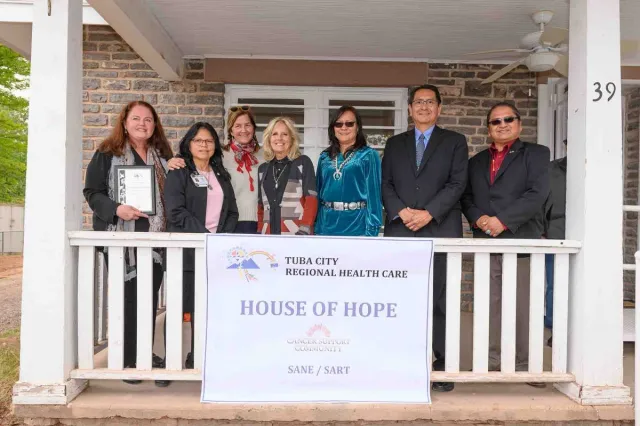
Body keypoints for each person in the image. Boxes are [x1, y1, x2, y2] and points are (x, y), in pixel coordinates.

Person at [381, 84, 469, 393]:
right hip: (401, 229)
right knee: (402, 299)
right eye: (418, 102)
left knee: (440, 300)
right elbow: (386, 184)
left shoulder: (455, 142)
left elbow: (458, 183)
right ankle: (402, 361)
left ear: (439, 108)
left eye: (430, 102)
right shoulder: (394, 144)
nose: (424, 107)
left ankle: (442, 366)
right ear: (409, 108)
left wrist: (428, 213)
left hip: (440, 228)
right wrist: (402, 212)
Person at [83, 100, 172, 387]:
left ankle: (145, 355)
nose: (142, 124)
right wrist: (116, 208)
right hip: (121, 239)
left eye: (148, 120)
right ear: (124, 122)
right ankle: (127, 357)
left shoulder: (162, 156)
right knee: (128, 300)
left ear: (154, 125)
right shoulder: (107, 153)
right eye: (136, 118)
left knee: (149, 299)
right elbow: (92, 192)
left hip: (155, 241)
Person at [461, 101, 550, 387]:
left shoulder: (536, 154)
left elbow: (537, 194)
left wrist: (503, 220)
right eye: (496, 121)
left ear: (519, 124)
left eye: (508, 119)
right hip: (486, 241)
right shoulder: (475, 162)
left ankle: (526, 364)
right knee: (489, 304)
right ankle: (492, 361)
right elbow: (466, 198)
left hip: (521, 239)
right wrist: (480, 219)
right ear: (489, 128)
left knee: (524, 305)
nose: (502, 125)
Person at [164, 122, 238, 368]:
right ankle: (171, 362)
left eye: (209, 141)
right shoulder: (179, 172)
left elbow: (232, 212)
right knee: (179, 308)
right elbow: (176, 212)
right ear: (189, 143)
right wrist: (205, 235)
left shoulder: (221, 174)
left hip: (214, 253)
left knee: (206, 309)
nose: (204, 145)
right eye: (199, 140)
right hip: (186, 252)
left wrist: (219, 240)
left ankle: (198, 357)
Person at [167, 106, 264, 233]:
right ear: (230, 130)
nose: (243, 130)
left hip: (256, 220)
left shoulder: (265, 156)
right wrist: (171, 161)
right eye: (238, 126)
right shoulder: (221, 156)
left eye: (248, 125)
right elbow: (175, 209)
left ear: (254, 128)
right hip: (231, 225)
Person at [314, 106, 382, 236]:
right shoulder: (325, 156)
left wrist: (371, 233)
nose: (343, 128)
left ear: (357, 127)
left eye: (349, 123)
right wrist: (316, 226)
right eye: (338, 124)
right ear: (333, 129)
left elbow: (374, 197)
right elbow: (318, 192)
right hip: (326, 226)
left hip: (357, 226)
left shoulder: (368, 155)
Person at [257, 117, 318, 235]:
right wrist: (260, 231)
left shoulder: (302, 162)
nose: (279, 138)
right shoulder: (262, 169)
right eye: (274, 134)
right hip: (267, 237)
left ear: (292, 138)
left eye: (284, 134)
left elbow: (311, 199)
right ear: (269, 139)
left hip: (297, 235)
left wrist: (304, 229)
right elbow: (260, 207)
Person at [543, 140, 567, 347]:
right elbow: (540, 200)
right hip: (556, 233)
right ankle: (555, 329)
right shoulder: (551, 169)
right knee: (555, 285)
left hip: (590, 235)